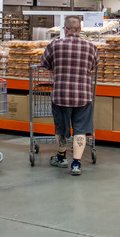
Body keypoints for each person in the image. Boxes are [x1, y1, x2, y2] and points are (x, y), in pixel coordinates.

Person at [40, 15, 99, 176]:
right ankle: (76, 163)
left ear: (65, 29)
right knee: (80, 130)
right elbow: (94, 66)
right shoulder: (91, 47)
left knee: (61, 129)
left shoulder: (55, 45)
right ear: (80, 29)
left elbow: (44, 63)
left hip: (61, 95)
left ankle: (61, 157)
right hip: (83, 96)